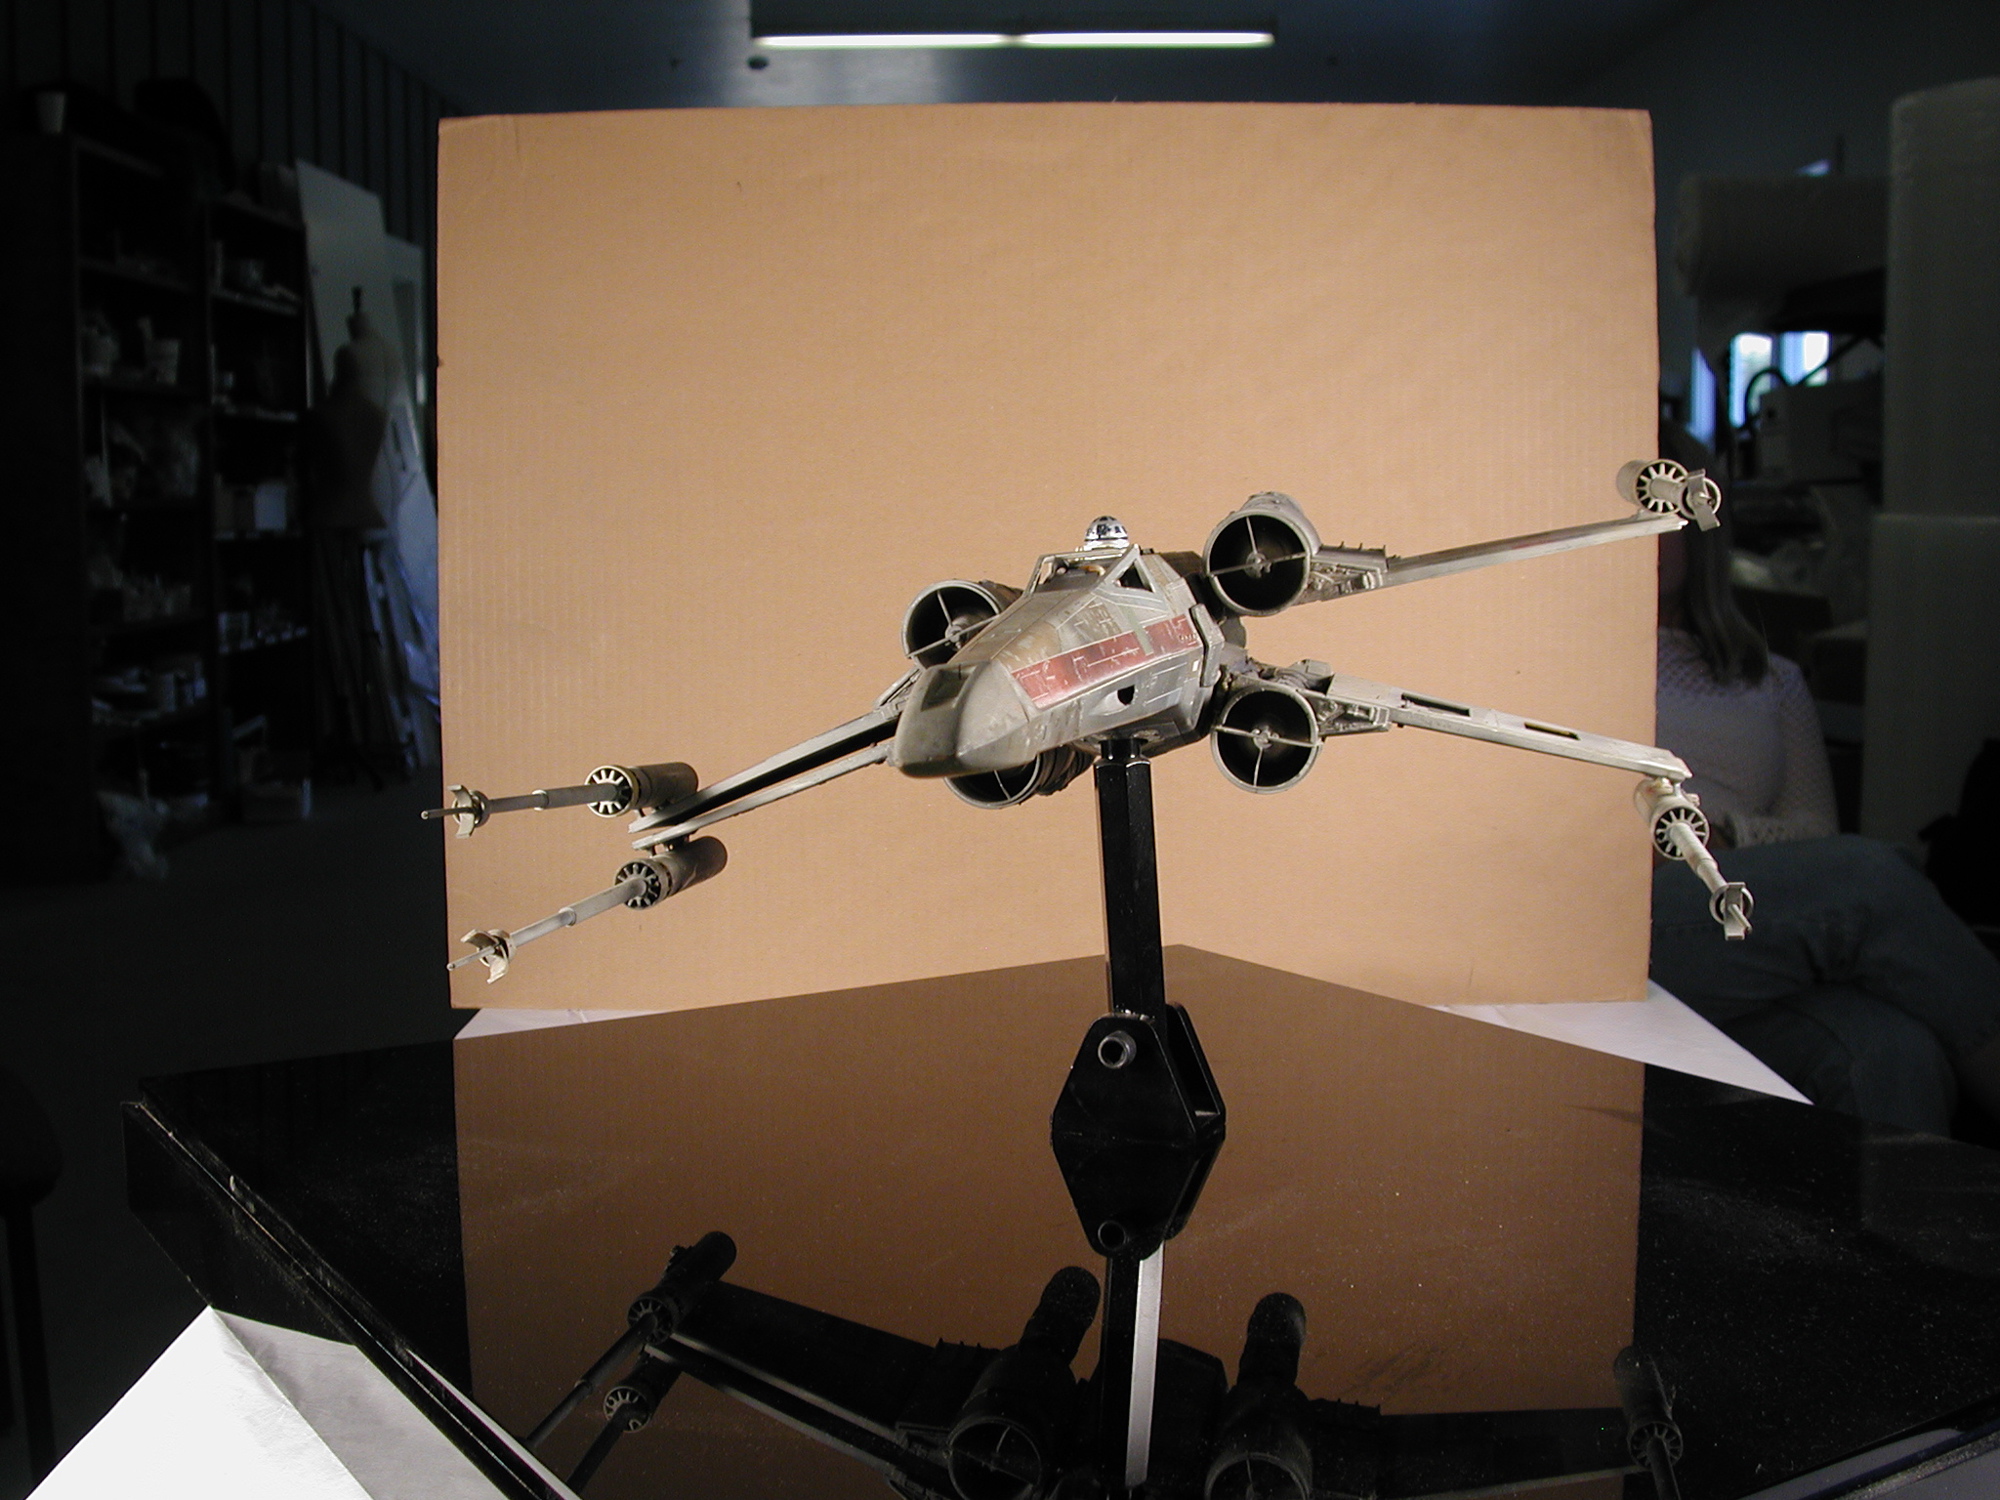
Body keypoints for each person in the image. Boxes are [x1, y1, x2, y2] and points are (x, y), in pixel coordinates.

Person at [1649, 497, 2000, 1136]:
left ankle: (1911, 1207)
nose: (1642, 526)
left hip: (1739, 908)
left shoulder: (1772, 678)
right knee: (1871, 879)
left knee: (1888, 1050)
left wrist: (1722, 834)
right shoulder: (1562, 660)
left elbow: (1814, 833)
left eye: (1660, 501)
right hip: (1621, 911)